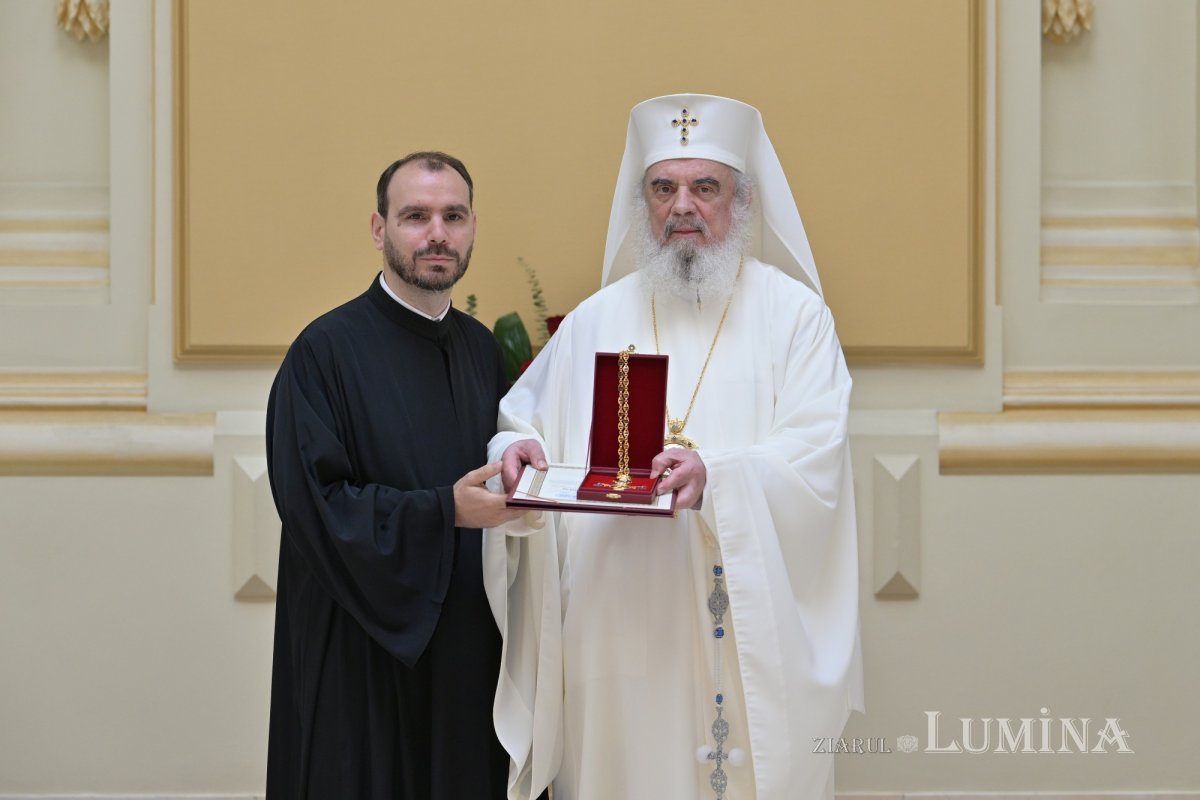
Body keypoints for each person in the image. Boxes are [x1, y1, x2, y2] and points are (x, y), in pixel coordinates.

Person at [484, 95, 864, 800]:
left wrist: (717, 477)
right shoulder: (599, 318)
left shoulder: (796, 317)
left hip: (738, 617)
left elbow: (817, 453)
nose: (682, 206)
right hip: (616, 622)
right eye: (664, 187)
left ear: (741, 201)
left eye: (705, 187)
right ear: (644, 202)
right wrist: (517, 450)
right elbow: (527, 418)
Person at [265, 151, 522, 798]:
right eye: (416, 216)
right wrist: (445, 512)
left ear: (471, 228)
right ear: (379, 229)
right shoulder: (323, 352)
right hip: (364, 651)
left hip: (465, 648)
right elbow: (315, 505)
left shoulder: (481, 348)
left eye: (453, 216)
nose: (437, 233)